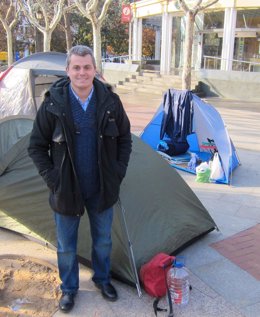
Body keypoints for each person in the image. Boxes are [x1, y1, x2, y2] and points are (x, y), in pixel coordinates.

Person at [28, 45, 132, 313]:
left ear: (94, 70)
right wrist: (54, 179)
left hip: (102, 187)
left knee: (103, 241)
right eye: (76, 67)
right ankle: (69, 289)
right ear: (67, 70)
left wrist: (117, 172)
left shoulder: (110, 102)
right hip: (66, 189)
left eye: (87, 67)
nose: (82, 72)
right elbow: (36, 147)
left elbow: (124, 139)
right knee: (65, 246)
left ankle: (102, 279)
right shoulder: (52, 102)